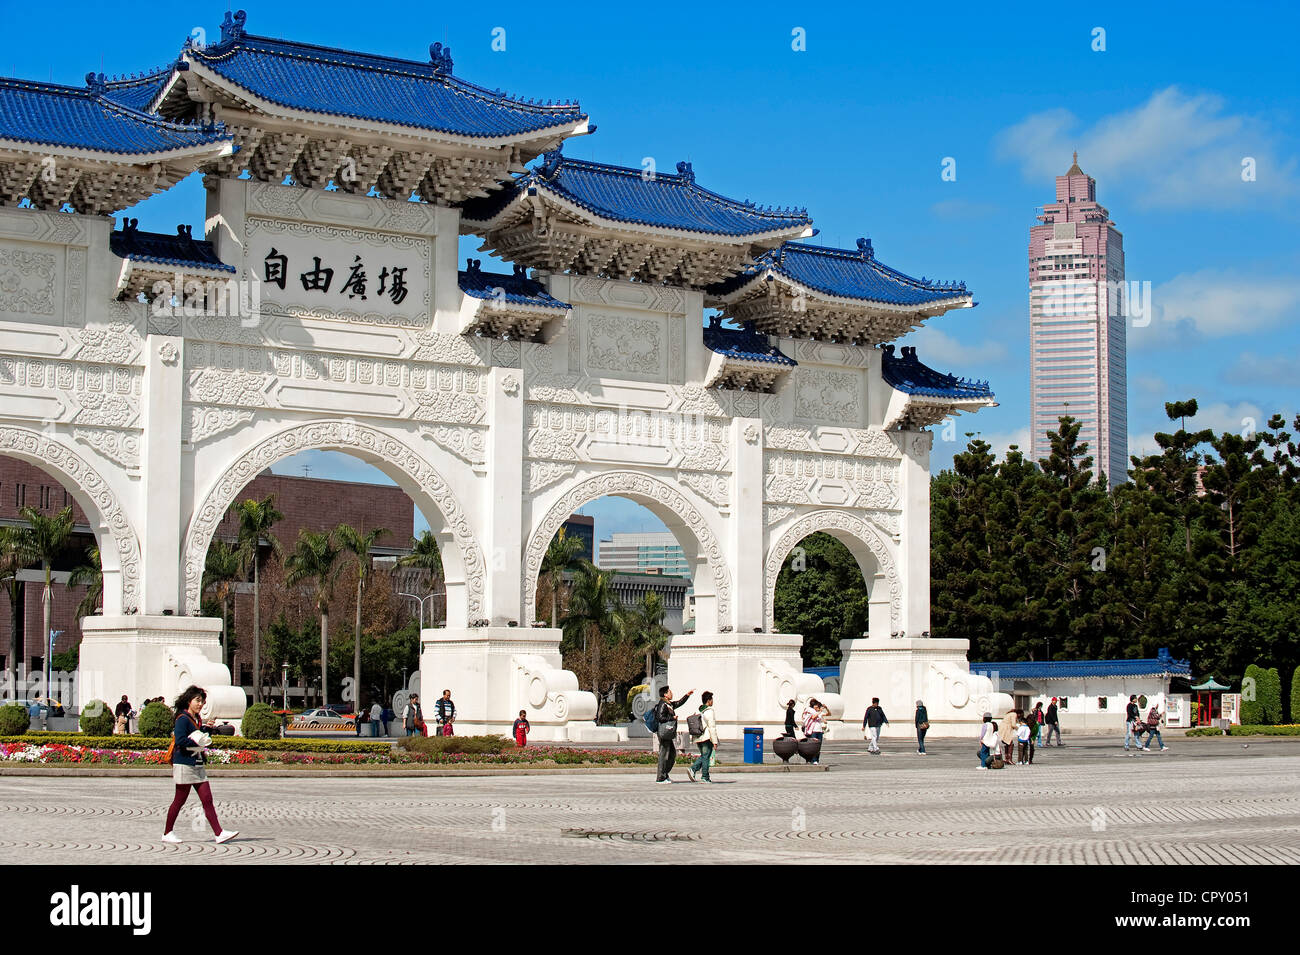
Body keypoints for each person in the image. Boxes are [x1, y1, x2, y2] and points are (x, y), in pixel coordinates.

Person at [162, 685, 237, 845]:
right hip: (184, 763)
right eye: (197, 700)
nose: (200, 704)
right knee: (179, 800)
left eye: (202, 701)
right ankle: (167, 832)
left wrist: (206, 730)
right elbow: (181, 740)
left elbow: (198, 735)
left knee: (207, 799)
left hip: (196, 762)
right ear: (189, 701)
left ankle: (219, 833)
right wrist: (197, 740)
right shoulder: (182, 718)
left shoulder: (195, 719)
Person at [653, 685, 694, 783]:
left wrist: (687, 695)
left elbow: (679, 703)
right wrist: (672, 718)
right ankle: (660, 778)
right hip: (664, 733)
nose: (672, 693)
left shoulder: (669, 704)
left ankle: (664, 774)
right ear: (665, 694)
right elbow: (660, 718)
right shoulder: (662, 704)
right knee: (664, 755)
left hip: (668, 733)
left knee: (672, 754)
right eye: (670, 692)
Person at [686, 691, 719, 783]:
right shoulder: (709, 711)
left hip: (698, 736)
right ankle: (704, 776)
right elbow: (712, 727)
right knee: (705, 757)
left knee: (704, 756)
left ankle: (695, 771)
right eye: (711, 699)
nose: (712, 701)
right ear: (708, 701)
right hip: (706, 737)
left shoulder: (699, 710)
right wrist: (715, 741)